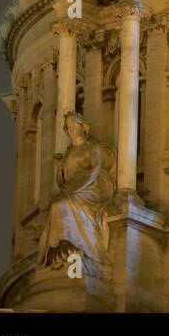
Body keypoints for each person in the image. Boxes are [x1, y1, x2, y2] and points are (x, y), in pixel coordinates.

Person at [37, 111, 117, 274]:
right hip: (73, 189)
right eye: (68, 127)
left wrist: (79, 187)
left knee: (62, 205)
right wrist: (61, 168)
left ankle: (76, 245)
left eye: (74, 125)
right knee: (57, 205)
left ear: (83, 127)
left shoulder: (92, 148)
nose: (71, 129)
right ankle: (62, 245)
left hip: (88, 189)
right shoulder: (68, 152)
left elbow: (95, 169)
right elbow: (62, 182)